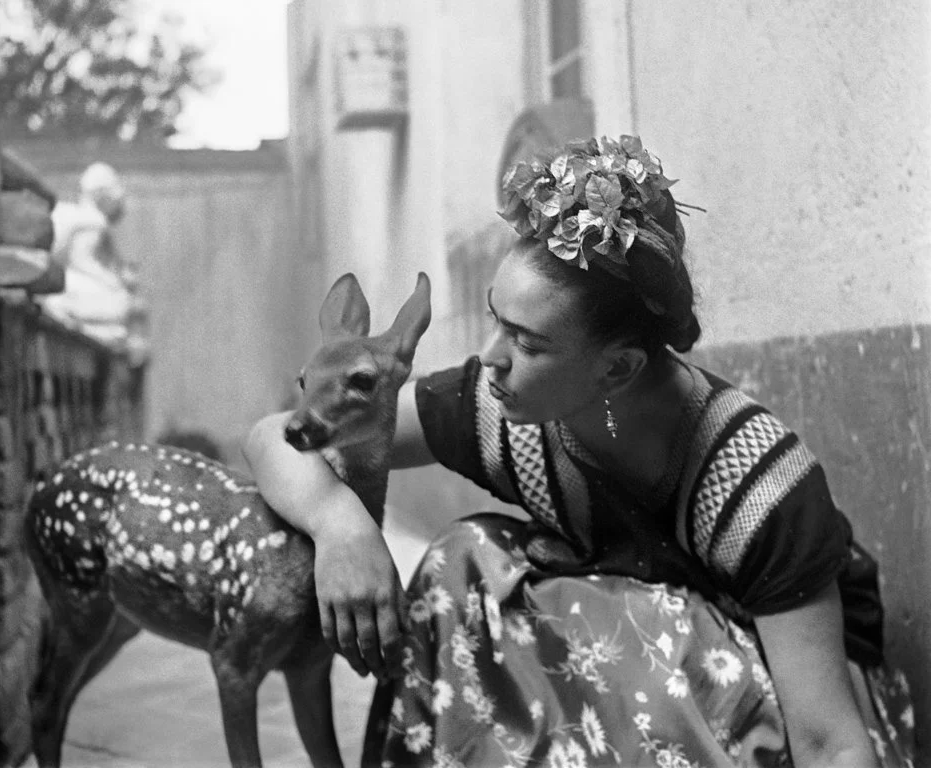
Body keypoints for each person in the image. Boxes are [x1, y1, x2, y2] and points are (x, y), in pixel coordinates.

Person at [243, 136, 915, 767]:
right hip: (632, 695)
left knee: (640, 623)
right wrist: (341, 526)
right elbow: (276, 435)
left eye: (528, 344)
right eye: (495, 322)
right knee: (465, 564)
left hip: (774, 706)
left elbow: (830, 741)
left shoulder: (759, 486)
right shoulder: (503, 406)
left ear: (618, 370)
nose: (493, 359)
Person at [40, 163, 135, 349]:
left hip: (63, 278)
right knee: (121, 304)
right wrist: (113, 282)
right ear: (103, 195)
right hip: (68, 281)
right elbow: (81, 261)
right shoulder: (94, 221)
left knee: (122, 303)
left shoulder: (85, 217)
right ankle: (63, 309)